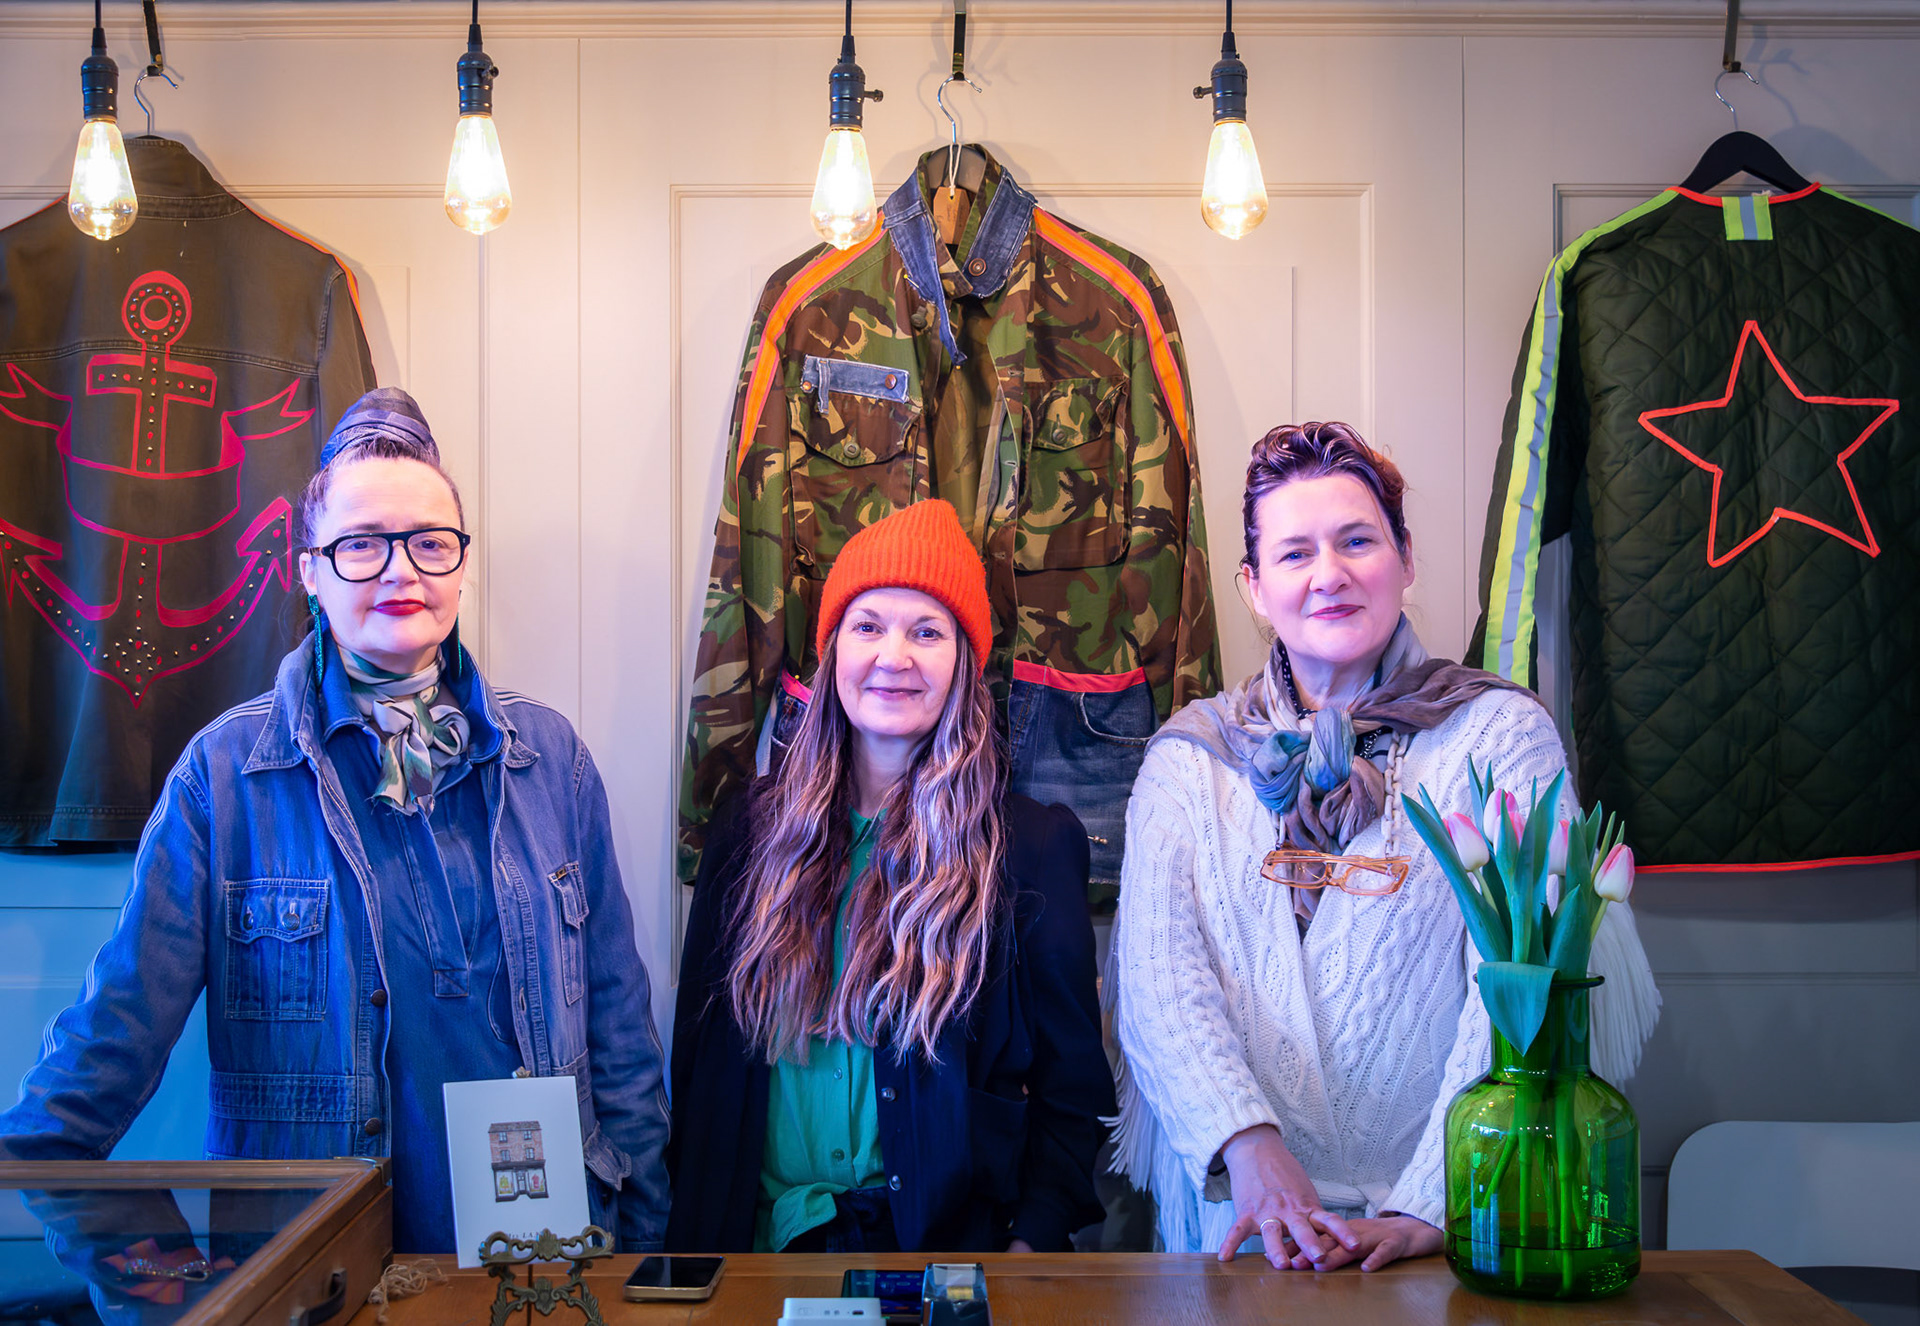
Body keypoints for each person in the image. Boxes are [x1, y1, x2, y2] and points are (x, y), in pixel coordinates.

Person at [0, 389, 671, 1255]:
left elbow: (619, 1030)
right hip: (314, 1269)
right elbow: (109, 1042)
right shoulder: (225, 777)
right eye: (361, 545)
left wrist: (649, 1248)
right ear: (308, 569)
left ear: (462, 566)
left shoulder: (550, 760)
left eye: (431, 543)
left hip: (543, 1264)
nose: (403, 572)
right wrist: (78, 1218)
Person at [1108, 422, 1658, 1272]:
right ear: (1253, 588)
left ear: (1405, 558)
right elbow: (1157, 984)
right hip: (1237, 1229)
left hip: (1449, 1223)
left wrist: (1432, 1203)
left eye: (1357, 540)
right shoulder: (1189, 758)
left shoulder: (1503, 734)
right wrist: (1250, 1150)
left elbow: (1528, 981)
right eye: (1294, 554)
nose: (1328, 574)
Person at [667, 499, 1113, 1254]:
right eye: (869, 625)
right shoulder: (748, 828)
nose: (893, 656)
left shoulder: (1030, 848)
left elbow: (1073, 1094)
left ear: (966, 663)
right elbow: (699, 1057)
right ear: (833, 648)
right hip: (756, 1252)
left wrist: (1026, 1246)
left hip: (946, 1257)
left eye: (928, 631)